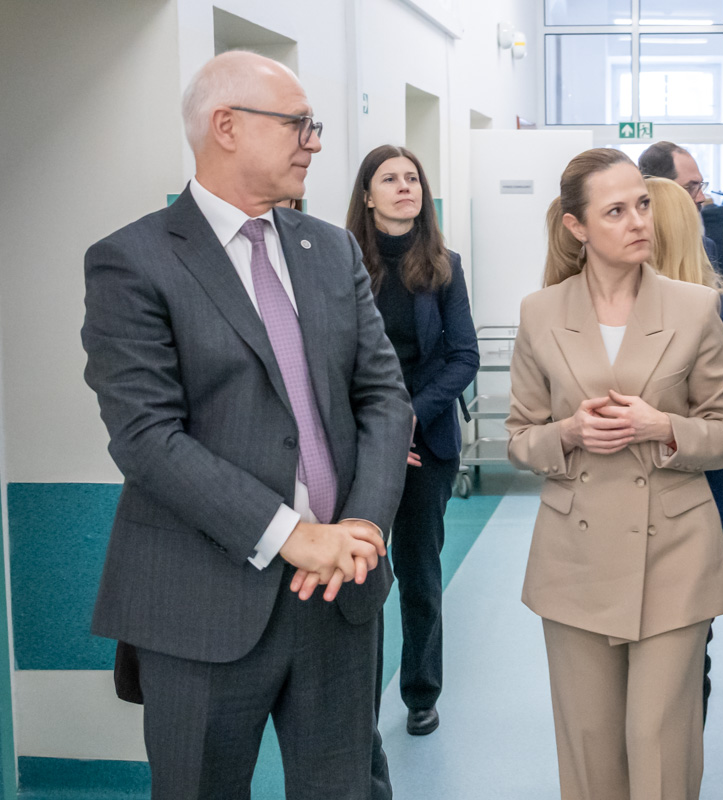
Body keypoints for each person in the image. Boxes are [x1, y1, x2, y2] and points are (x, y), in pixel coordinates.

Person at [80, 51, 410, 799]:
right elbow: (146, 437)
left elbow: (385, 397)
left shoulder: (330, 250)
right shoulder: (132, 262)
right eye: (299, 124)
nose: (315, 142)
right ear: (225, 127)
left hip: (339, 594)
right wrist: (295, 536)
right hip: (201, 601)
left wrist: (359, 526)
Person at [506, 148, 723, 800]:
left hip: (674, 550)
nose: (639, 220)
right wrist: (569, 433)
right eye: (616, 210)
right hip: (574, 558)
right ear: (577, 227)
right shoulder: (540, 313)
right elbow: (520, 440)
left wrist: (661, 427)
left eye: (642, 203)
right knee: (589, 752)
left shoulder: (696, 308)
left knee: (658, 742)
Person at [347, 144, 480, 736]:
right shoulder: (340, 261)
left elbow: (464, 356)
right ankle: (357, 704)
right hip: (357, 444)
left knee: (420, 574)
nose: (405, 187)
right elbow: (331, 361)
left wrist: (404, 420)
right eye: (389, 178)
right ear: (368, 195)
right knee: (362, 577)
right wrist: (376, 433)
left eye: (413, 178)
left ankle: (421, 692)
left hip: (427, 444)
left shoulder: (444, 264)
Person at [645, 176, 723, 724]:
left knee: (685, 657)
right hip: (623, 504)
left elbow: (720, 422)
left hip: (699, 502)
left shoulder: (717, 310)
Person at [638, 141, 720, 271]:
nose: (701, 198)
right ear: (660, 188)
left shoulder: (706, 249)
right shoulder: (633, 250)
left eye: (700, 186)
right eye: (691, 187)